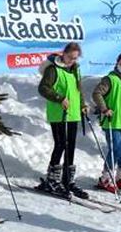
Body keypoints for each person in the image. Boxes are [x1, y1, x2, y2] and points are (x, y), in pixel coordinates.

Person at [36, 41, 88, 198]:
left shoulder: (75, 69)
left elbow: (78, 90)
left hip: (73, 114)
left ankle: (68, 180)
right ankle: (52, 179)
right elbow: (43, 88)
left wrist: (82, 105)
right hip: (58, 113)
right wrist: (59, 98)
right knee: (61, 144)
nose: (72, 61)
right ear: (63, 54)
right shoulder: (53, 69)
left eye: (75, 58)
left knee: (70, 145)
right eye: (70, 57)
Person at [91, 51, 121, 193]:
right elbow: (97, 93)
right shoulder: (110, 79)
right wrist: (104, 109)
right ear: (117, 64)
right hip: (113, 121)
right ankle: (105, 178)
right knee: (115, 150)